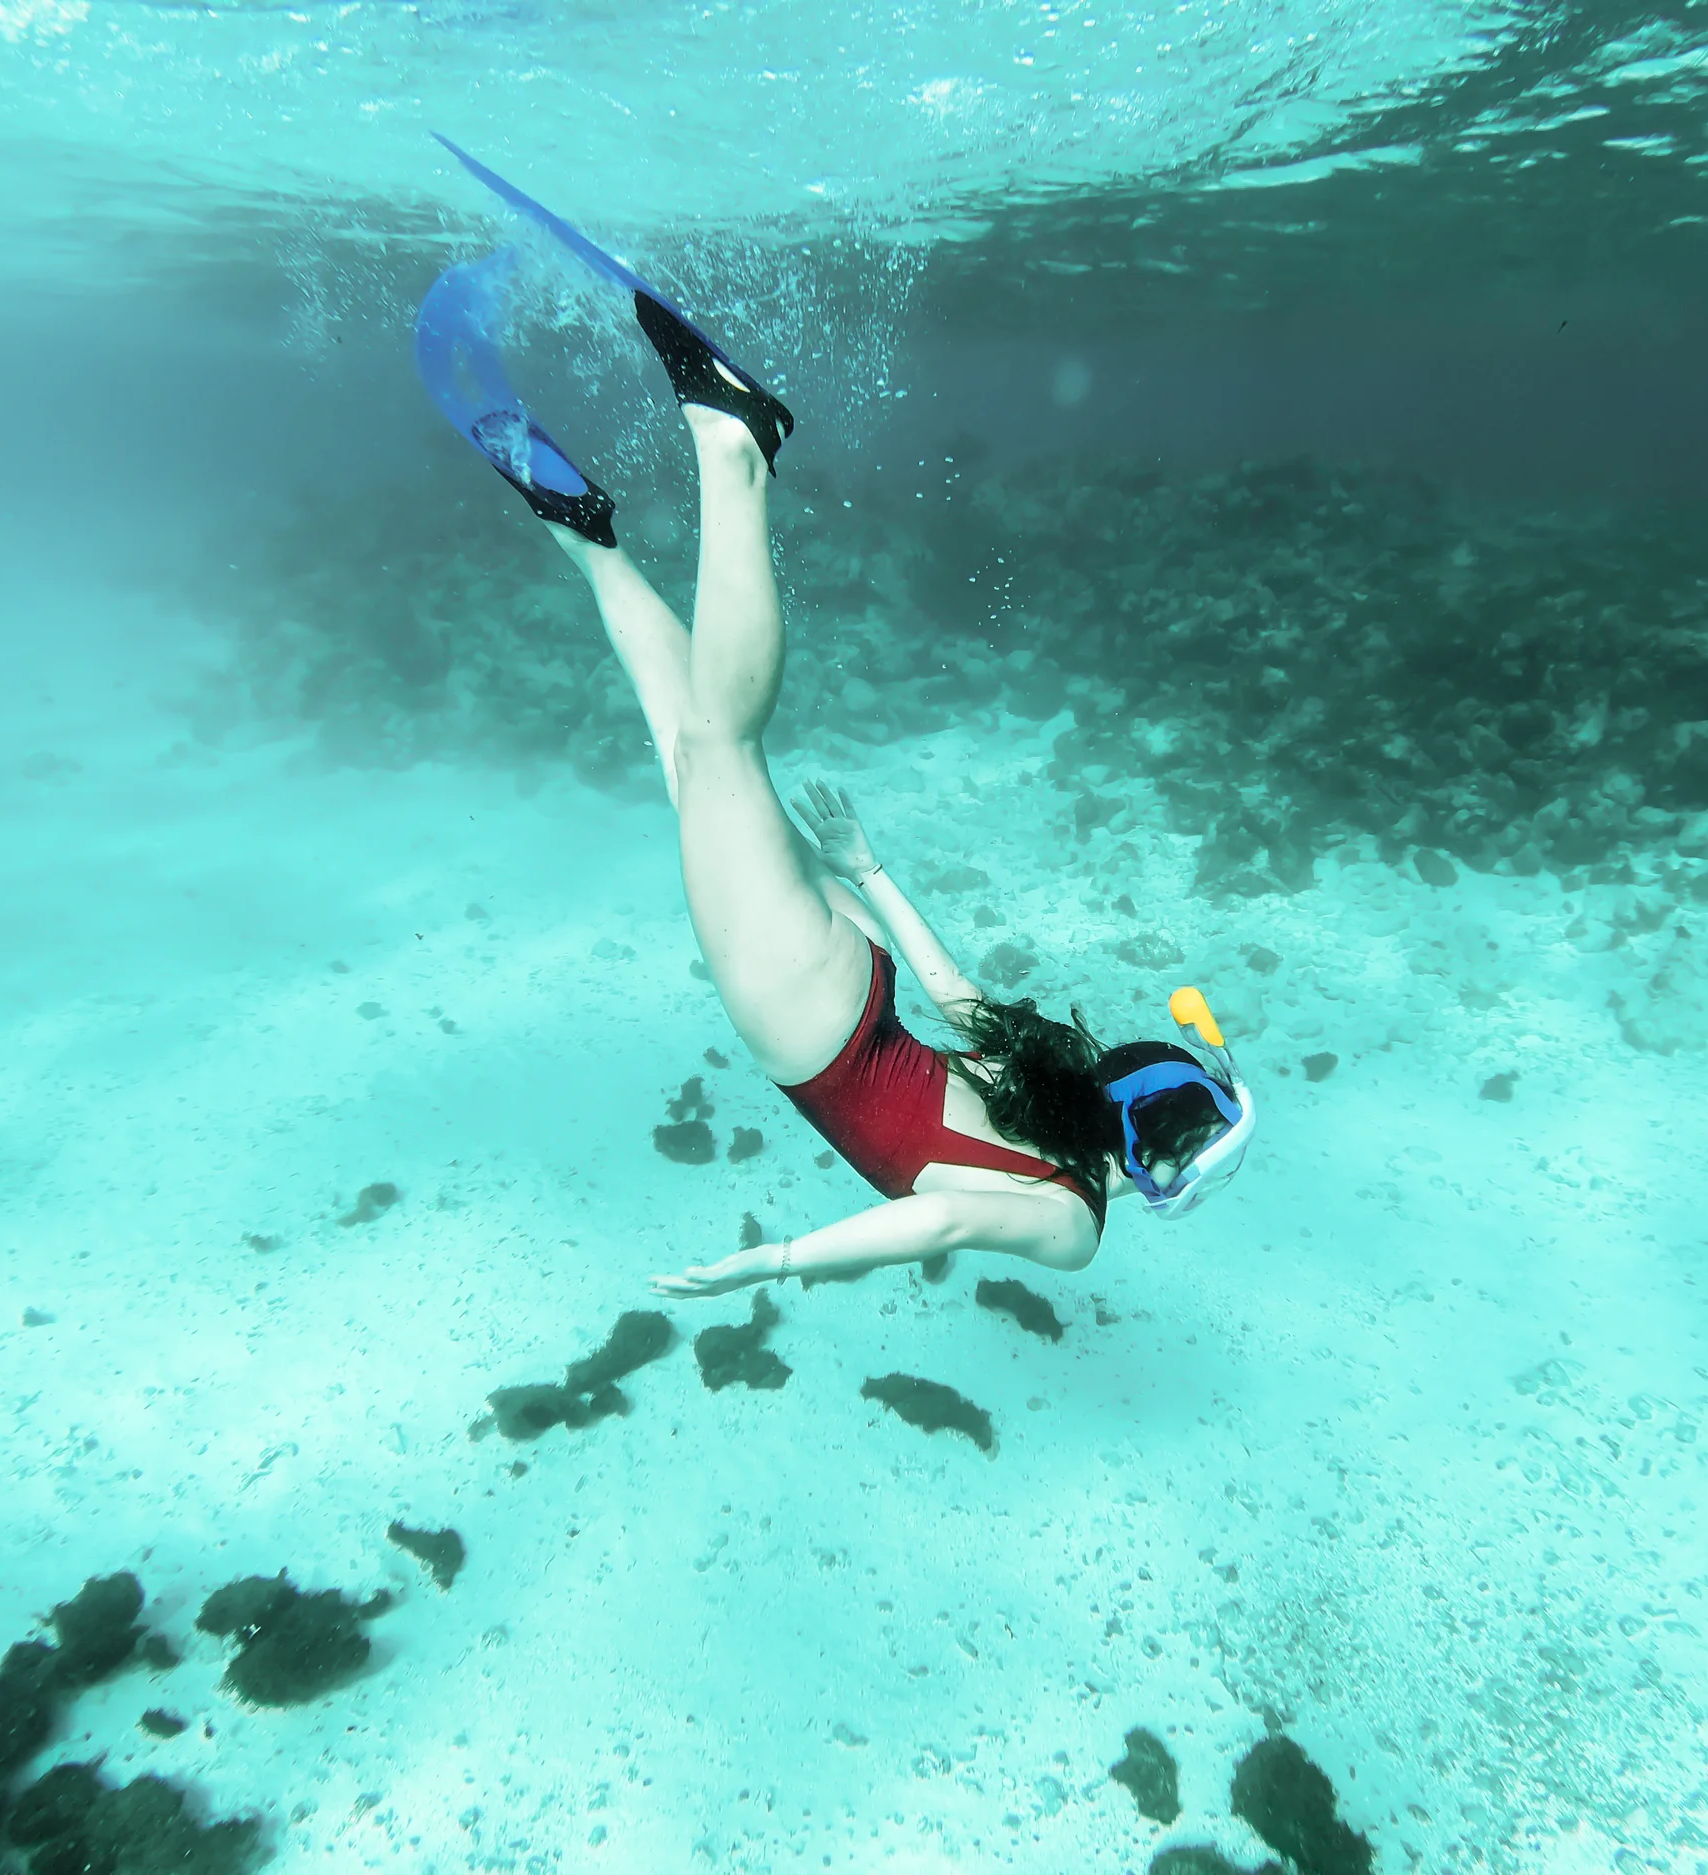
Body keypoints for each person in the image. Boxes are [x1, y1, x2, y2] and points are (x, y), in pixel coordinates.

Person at [413, 172, 1255, 1299]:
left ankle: (586, 534)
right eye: (1191, 1160)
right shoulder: (1072, 1226)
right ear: (1144, 1143)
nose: (1184, 1182)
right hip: (814, 1023)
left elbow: (956, 995)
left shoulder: (1053, 1086)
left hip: (850, 979)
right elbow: (934, 1224)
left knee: (691, 760)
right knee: (718, 749)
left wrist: (869, 872)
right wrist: (772, 1262)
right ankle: (734, 445)